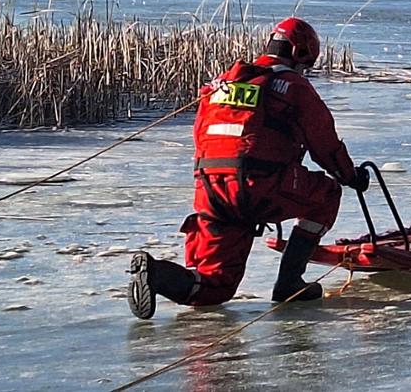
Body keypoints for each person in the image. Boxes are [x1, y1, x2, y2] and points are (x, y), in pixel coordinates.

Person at [127, 17, 367, 319]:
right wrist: (351, 176)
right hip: (257, 186)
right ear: (300, 54)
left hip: (210, 191)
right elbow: (325, 145)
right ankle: (289, 283)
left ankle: (157, 274)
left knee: (215, 289)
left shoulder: (220, 85)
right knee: (327, 194)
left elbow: (203, 137)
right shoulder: (294, 87)